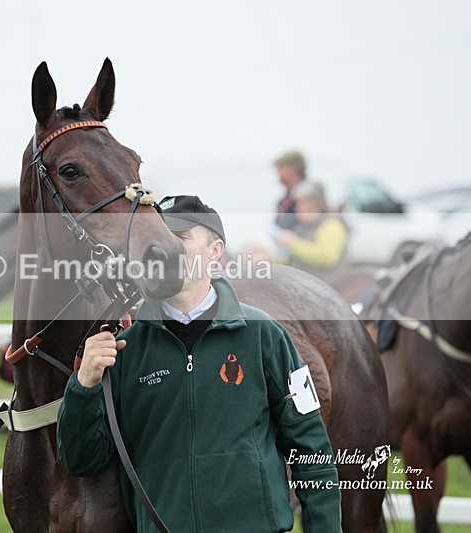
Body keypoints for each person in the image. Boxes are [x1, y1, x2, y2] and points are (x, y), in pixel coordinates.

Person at [57, 195, 341, 532]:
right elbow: (81, 459)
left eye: (181, 238)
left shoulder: (266, 335)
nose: (165, 248)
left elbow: (312, 449)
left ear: (216, 251)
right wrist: (83, 384)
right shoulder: (125, 350)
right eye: (160, 238)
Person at [276, 181, 348, 281]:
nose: (298, 208)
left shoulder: (331, 225)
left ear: (315, 203)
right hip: (306, 288)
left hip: (327, 289)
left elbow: (326, 257)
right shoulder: (307, 227)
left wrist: (293, 243)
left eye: (302, 203)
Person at [274, 150, 307, 230]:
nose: (277, 171)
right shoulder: (284, 200)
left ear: (293, 169)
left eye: (281, 167)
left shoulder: (308, 197)